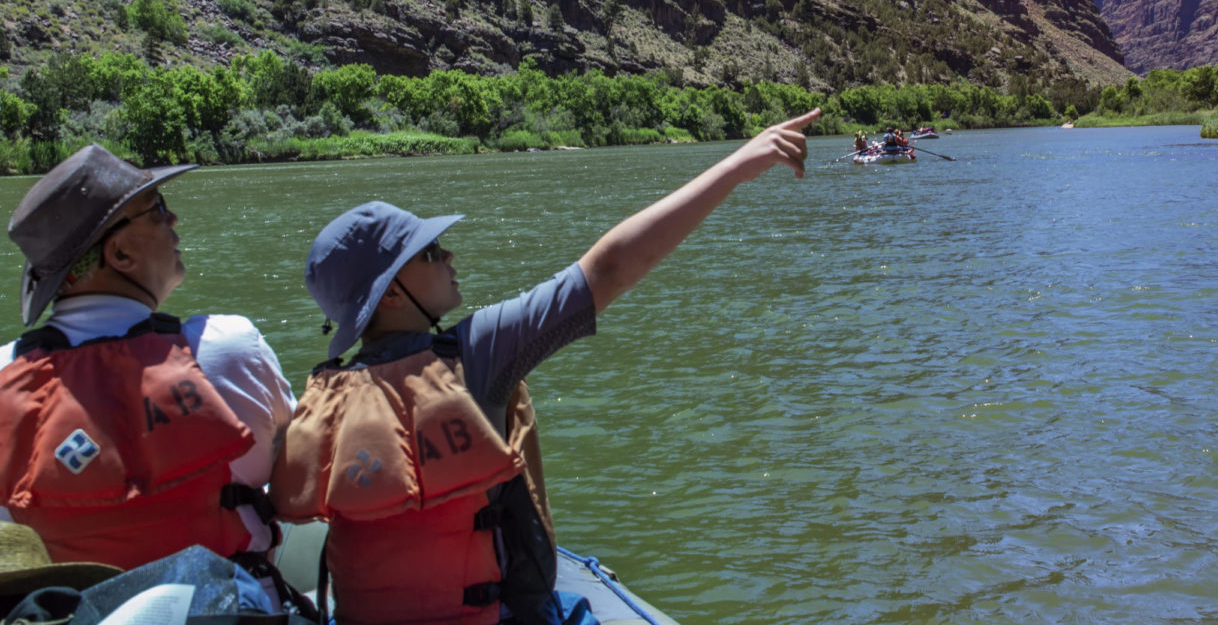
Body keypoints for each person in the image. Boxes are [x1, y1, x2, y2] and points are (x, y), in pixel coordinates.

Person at [270, 109, 821, 625]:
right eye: (432, 252)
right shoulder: (479, 352)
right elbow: (610, 268)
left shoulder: (325, 396)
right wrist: (738, 164)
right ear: (391, 294)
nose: (450, 256)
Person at [0, 145, 296, 587]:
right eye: (156, 210)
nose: (173, 219)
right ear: (119, 255)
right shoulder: (228, 347)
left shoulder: (5, 374)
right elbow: (298, 474)